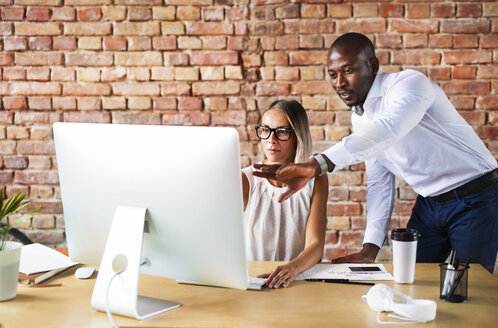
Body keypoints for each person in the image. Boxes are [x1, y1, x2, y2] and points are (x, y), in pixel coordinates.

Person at [253, 33, 498, 273]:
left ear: (373, 66)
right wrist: (369, 250)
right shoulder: (360, 121)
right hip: (429, 204)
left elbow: (388, 128)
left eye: (348, 71)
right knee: (411, 281)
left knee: (469, 285)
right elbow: (380, 184)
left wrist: (318, 164)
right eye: (333, 74)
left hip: (476, 196)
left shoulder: (410, 84)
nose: (339, 83)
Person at [242, 100, 328, 288]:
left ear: (297, 136)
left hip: (298, 281)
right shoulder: (246, 179)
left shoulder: (316, 180)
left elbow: (315, 244)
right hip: (256, 283)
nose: (271, 140)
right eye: (265, 130)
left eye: (281, 132)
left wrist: (292, 269)